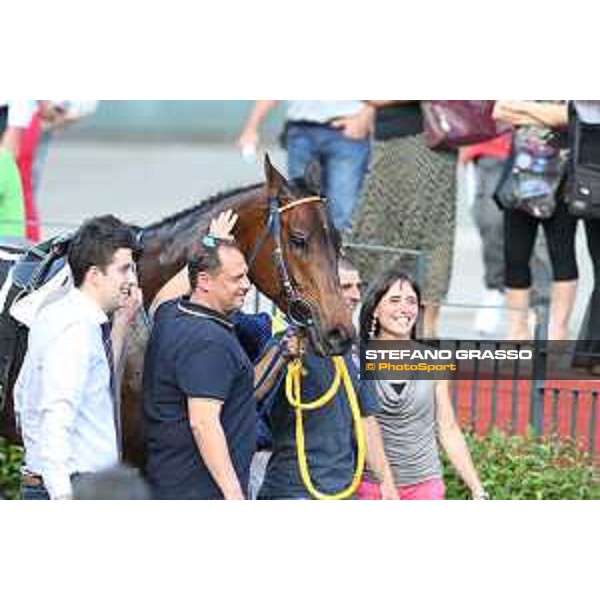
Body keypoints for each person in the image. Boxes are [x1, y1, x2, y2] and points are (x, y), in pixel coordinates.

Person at [14, 215, 142, 500]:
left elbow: (21, 396)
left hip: (60, 483)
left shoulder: (57, 314)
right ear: (95, 275)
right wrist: (62, 495)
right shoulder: (76, 330)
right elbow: (55, 416)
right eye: (124, 270)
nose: (132, 280)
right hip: (72, 488)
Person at [256, 257, 397, 500]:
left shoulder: (356, 351)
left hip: (343, 490)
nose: (355, 295)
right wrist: (282, 354)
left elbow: (366, 420)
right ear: (324, 290)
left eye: (358, 287)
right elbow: (252, 391)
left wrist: (386, 482)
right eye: (346, 287)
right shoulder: (289, 341)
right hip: (292, 489)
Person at [142, 236, 258, 499]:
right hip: (202, 492)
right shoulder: (208, 340)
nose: (247, 285)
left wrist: (208, 243)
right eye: (236, 278)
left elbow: (161, 300)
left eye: (359, 287)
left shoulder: (172, 313)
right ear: (204, 281)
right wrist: (234, 495)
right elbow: (204, 423)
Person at [358, 266, 487, 500]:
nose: (404, 309)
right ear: (375, 308)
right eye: (394, 300)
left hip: (425, 486)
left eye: (411, 301)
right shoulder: (358, 359)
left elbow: (447, 428)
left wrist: (478, 489)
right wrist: (386, 484)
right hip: (371, 485)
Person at [348, 101, 458, 338]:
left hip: (427, 141)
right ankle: (364, 328)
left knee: (425, 231)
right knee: (372, 233)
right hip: (392, 139)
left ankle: (425, 334)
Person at [492, 101, 576, 340]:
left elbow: (570, 117)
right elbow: (500, 110)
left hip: (562, 171)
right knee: (515, 255)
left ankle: (557, 333)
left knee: (562, 253)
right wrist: (546, 115)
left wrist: (523, 109)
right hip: (521, 172)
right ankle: (516, 332)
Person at [461, 134, 552, 336]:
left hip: (541, 148)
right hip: (492, 147)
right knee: (490, 221)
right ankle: (496, 287)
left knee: (539, 239)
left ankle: (539, 308)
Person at [238, 101, 374, 233]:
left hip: (347, 132)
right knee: (303, 213)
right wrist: (251, 127)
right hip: (300, 132)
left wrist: (366, 115)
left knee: (342, 216)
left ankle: (338, 253)